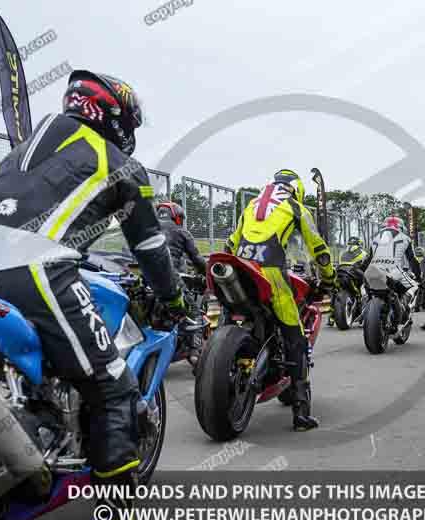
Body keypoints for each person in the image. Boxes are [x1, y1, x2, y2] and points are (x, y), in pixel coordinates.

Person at [0, 70, 185, 520]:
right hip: (36, 271)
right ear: (115, 114)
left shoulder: (16, 156)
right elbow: (152, 249)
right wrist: (175, 301)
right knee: (114, 387)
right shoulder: (117, 161)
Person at [225, 169, 336, 431]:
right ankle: (301, 413)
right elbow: (318, 248)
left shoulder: (251, 204)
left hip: (238, 269)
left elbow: (231, 243)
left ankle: (215, 363)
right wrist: (329, 277)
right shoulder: (295, 207)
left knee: (229, 315)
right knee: (295, 336)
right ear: (296, 189)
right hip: (270, 272)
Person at [156, 201, 207, 367]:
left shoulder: (146, 229)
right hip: (171, 279)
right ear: (176, 216)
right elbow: (197, 260)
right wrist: (208, 273)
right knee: (195, 314)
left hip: (145, 278)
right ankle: (195, 353)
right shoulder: (181, 232)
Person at [361, 216, 422, 326]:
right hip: (393, 270)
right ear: (401, 227)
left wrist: (362, 274)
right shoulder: (405, 238)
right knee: (415, 286)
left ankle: (365, 304)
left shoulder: (374, 238)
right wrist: (419, 277)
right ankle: (404, 303)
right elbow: (412, 260)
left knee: (363, 287)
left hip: (372, 270)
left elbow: (367, 260)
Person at [328, 236, 368, 326]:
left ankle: (331, 317)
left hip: (339, 272)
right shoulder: (363, 252)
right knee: (366, 288)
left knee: (335, 291)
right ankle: (364, 315)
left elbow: (338, 263)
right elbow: (366, 265)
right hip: (353, 272)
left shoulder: (343, 251)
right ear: (360, 244)